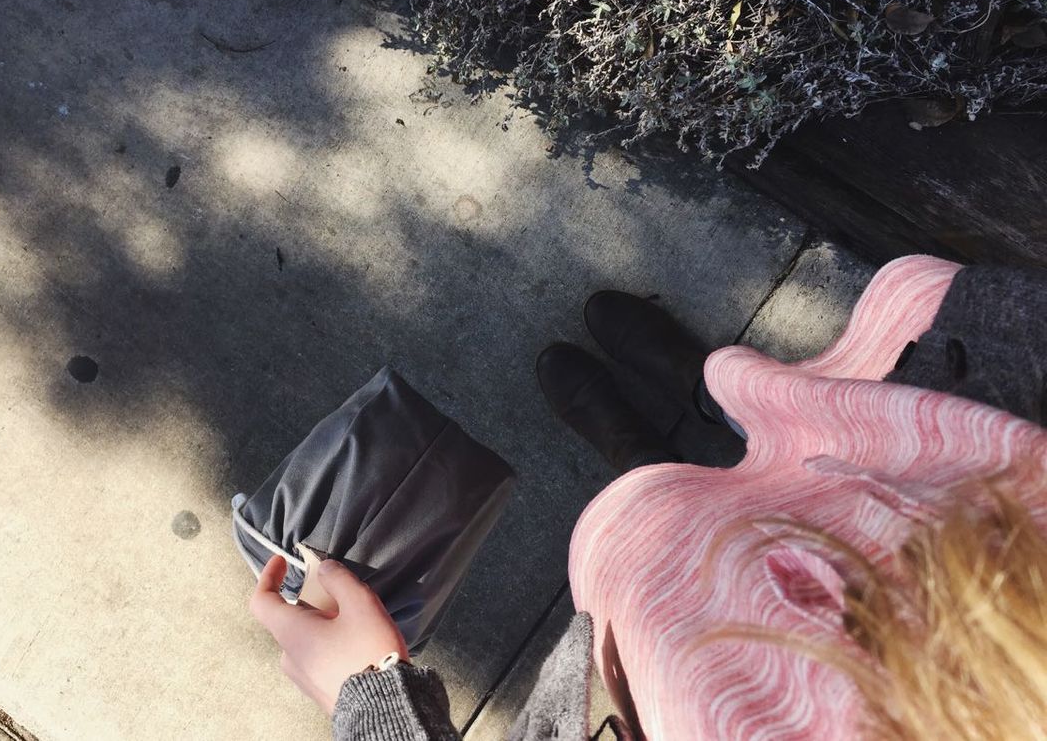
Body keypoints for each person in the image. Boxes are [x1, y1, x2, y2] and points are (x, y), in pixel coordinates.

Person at [249, 256, 1047, 740]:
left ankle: (645, 461)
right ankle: (715, 399)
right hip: (987, 512)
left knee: (666, 552)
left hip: (719, 692)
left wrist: (375, 699)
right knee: (833, 434)